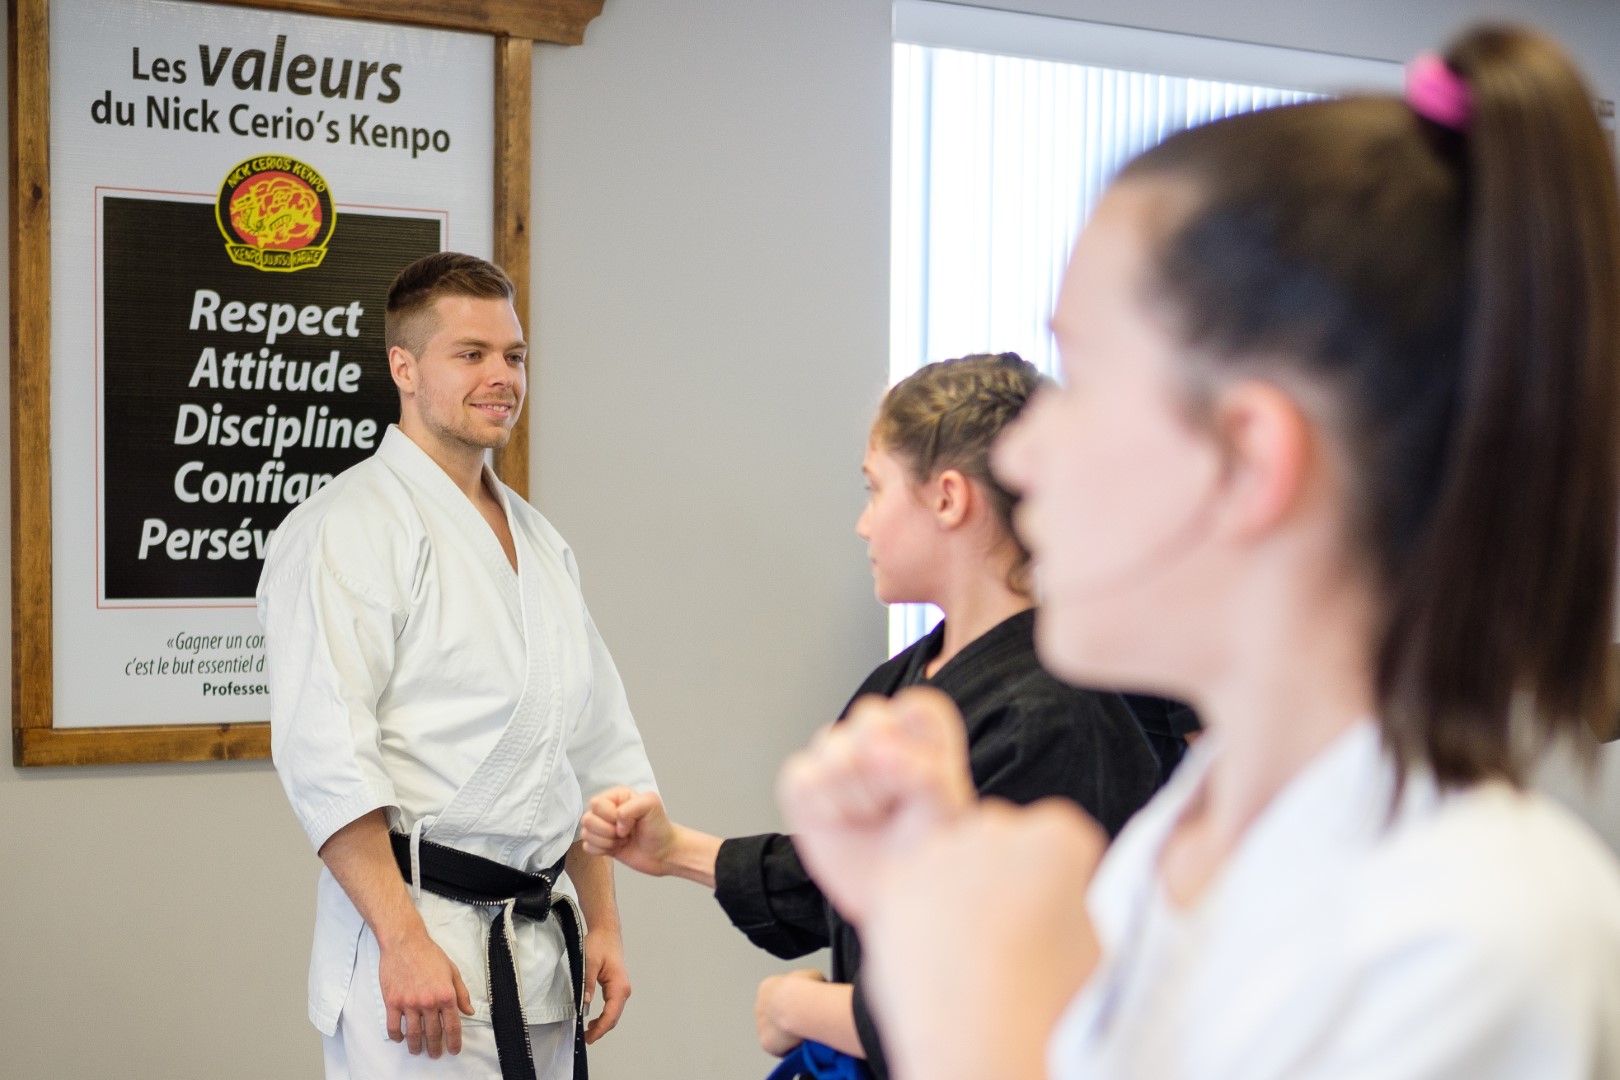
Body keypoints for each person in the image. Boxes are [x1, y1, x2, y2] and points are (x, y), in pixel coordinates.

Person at [777, 25, 1620, 1080]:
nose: (1025, 455)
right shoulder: (1190, 829)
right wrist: (925, 889)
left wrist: (988, 1033)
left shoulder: (1479, 940)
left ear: (1249, 457)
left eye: (1083, 383)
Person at [581, 353, 1163, 1078]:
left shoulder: (1059, 717)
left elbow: (1008, 1004)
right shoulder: (908, 679)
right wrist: (672, 851)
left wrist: (801, 1008)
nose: (862, 524)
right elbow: (843, 880)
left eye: (875, 488)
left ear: (947, 498)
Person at [258, 252, 656, 1080]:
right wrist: (401, 938)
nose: (501, 376)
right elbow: (326, 757)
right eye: (470, 354)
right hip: (417, 957)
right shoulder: (345, 528)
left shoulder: (542, 543)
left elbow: (585, 749)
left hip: (540, 953)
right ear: (404, 368)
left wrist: (606, 923)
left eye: (513, 355)